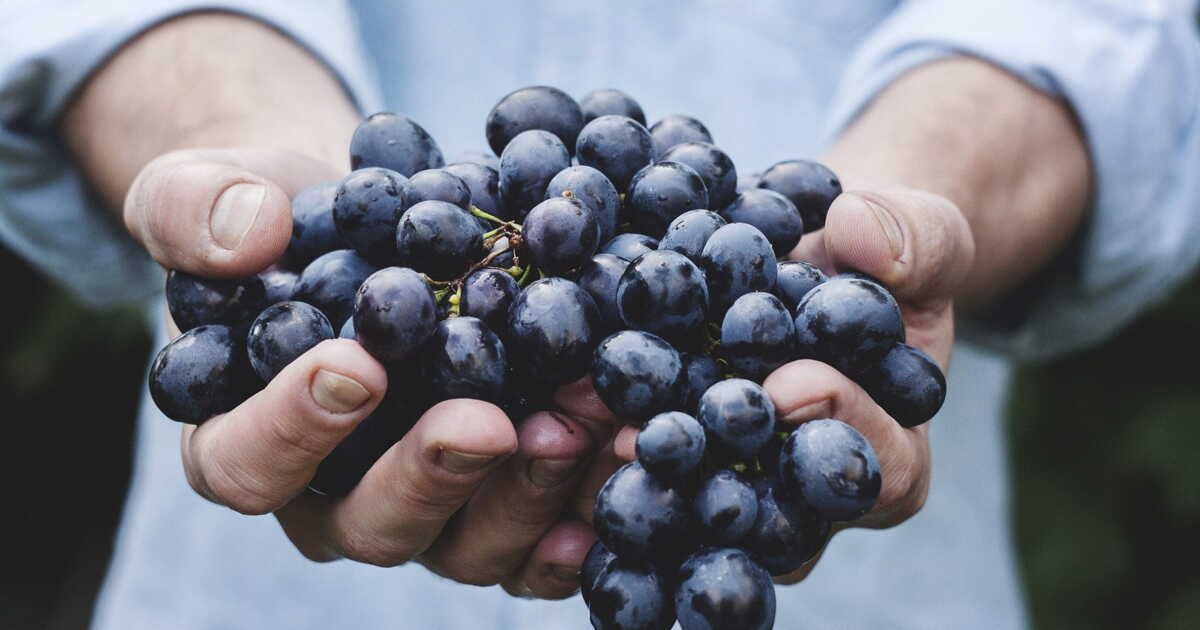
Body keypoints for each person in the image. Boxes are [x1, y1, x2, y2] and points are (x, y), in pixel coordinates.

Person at [3, 2, 1198, 628]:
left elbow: (1087, 26)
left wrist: (912, 195)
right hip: (270, 563)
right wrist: (238, 161)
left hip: (835, 513)